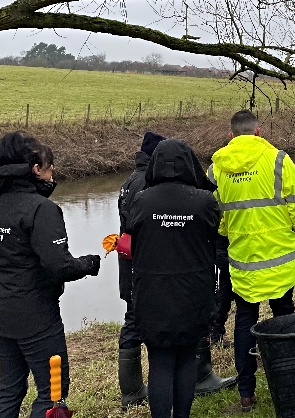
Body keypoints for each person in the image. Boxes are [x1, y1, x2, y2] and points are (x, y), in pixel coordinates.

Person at [0, 131, 101, 418]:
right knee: (53, 394)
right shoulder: (43, 210)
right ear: (36, 169)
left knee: (9, 388)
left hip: (0, 313)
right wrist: (89, 263)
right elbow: (60, 266)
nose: (52, 170)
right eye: (49, 165)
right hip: (38, 319)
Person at [208, 110, 295, 412]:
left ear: (230, 136)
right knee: (284, 316)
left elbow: (211, 210)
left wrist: (228, 230)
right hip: (280, 258)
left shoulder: (217, 168)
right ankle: (288, 376)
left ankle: (246, 393)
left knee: (244, 321)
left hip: (243, 261)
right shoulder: (278, 159)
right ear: (258, 132)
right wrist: (290, 226)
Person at [124, 138, 221, 418]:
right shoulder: (204, 201)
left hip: (152, 293)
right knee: (186, 358)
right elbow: (214, 233)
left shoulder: (142, 200)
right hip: (193, 292)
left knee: (160, 361)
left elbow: (131, 232)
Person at [116, 130, 166, 408]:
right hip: (141, 265)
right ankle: (134, 391)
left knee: (132, 318)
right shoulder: (146, 182)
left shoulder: (129, 181)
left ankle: (132, 389)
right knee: (137, 321)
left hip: (128, 262)